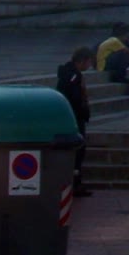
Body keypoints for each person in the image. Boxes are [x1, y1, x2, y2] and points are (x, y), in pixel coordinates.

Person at [56, 46, 94, 196]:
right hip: (75, 118)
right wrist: (83, 111)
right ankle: (75, 184)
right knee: (78, 152)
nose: (90, 65)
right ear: (82, 61)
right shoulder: (73, 76)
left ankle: (75, 183)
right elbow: (75, 98)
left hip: (71, 117)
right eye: (89, 62)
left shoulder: (69, 73)